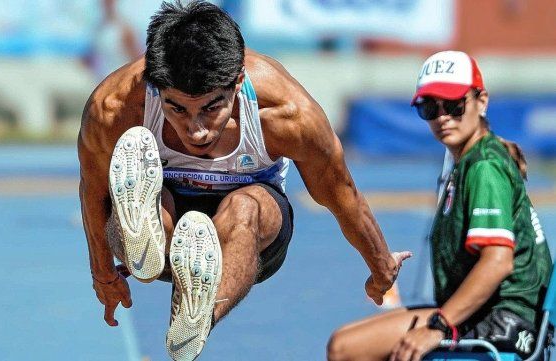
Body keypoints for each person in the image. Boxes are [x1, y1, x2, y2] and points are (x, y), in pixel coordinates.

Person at [77, 1, 410, 359]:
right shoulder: (115, 107)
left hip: (249, 237)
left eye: (210, 107)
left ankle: (199, 315)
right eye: (177, 109)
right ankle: (146, 243)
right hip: (167, 223)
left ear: (237, 82)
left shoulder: (287, 114)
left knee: (244, 207)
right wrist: (104, 275)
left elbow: (342, 195)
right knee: (147, 205)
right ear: (157, 89)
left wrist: (380, 264)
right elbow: (93, 189)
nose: (197, 130)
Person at [326, 50, 553, 361]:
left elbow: (498, 262)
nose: (443, 116)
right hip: (486, 312)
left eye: (455, 104)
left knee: (346, 349)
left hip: (504, 321)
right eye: (430, 107)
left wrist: (438, 326)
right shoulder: (471, 158)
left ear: (481, 101)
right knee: (346, 343)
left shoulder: (484, 167)